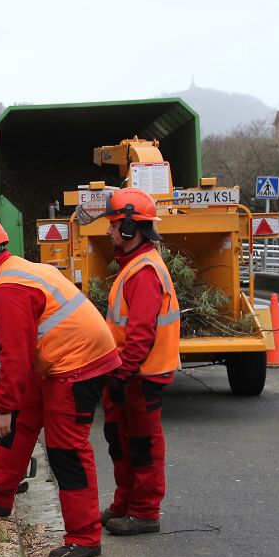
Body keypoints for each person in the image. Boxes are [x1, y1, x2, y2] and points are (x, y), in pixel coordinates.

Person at [0, 214, 121, 557]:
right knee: (20, 422)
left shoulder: (8, 287)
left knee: (66, 451)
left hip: (77, 364)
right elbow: (23, 353)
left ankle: (84, 536)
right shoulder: (16, 271)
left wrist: (2, 409)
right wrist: (8, 403)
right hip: (56, 361)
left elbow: (15, 353)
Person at [100, 188, 180, 537]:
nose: (109, 232)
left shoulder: (144, 272)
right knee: (121, 440)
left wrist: (122, 372)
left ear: (131, 230)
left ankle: (145, 512)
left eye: (115, 225)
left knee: (142, 445)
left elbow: (142, 333)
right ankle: (125, 503)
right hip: (130, 373)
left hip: (139, 375)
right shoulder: (135, 265)